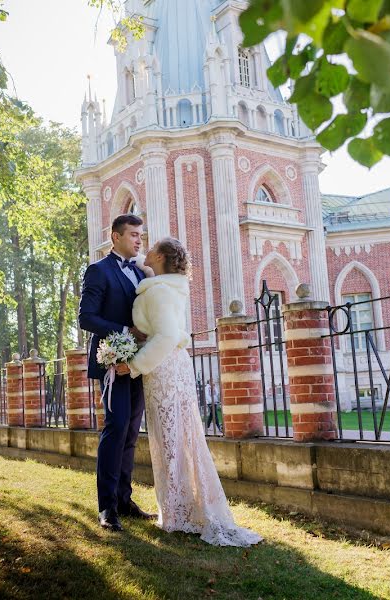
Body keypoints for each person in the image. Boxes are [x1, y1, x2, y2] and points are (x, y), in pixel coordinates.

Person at [116, 237, 262, 547]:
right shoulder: (170, 287)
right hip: (174, 366)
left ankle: (178, 513)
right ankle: (182, 508)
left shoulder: (157, 291)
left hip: (164, 369)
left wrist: (134, 365)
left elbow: (167, 335)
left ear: (160, 257)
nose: (146, 250)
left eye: (152, 248)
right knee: (181, 436)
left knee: (169, 438)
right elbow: (169, 330)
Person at [79, 213, 153, 532]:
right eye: (134, 235)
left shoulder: (140, 272)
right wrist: (125, 331)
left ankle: (125, 499)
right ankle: (107, 507)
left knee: (132, 432)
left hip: (138, 363)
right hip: (112, 362)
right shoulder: (98, 271)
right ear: (115, 237)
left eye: (141, 235)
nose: (139, 240)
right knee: (116, 427)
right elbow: (87, 318)